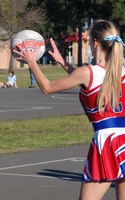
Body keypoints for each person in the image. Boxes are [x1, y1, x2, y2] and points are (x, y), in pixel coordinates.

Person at [13, 20, 125, 200]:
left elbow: (48, 87)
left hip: (107, 142)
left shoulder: (88, 72)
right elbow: (89, 81)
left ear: (95, 43)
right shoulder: (120, 70)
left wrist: (32, 62)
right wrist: (63, 62)